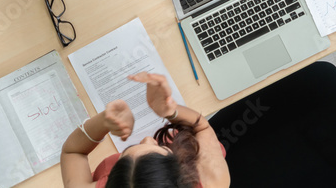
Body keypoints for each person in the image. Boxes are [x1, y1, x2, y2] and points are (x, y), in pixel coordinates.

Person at [61, 72, 229, 187]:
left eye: (126, 151)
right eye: (159, 147)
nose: (147, 139)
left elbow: (73, 153)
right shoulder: (212, 179)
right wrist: (170, 111)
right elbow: (201, 128)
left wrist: (103, 122)